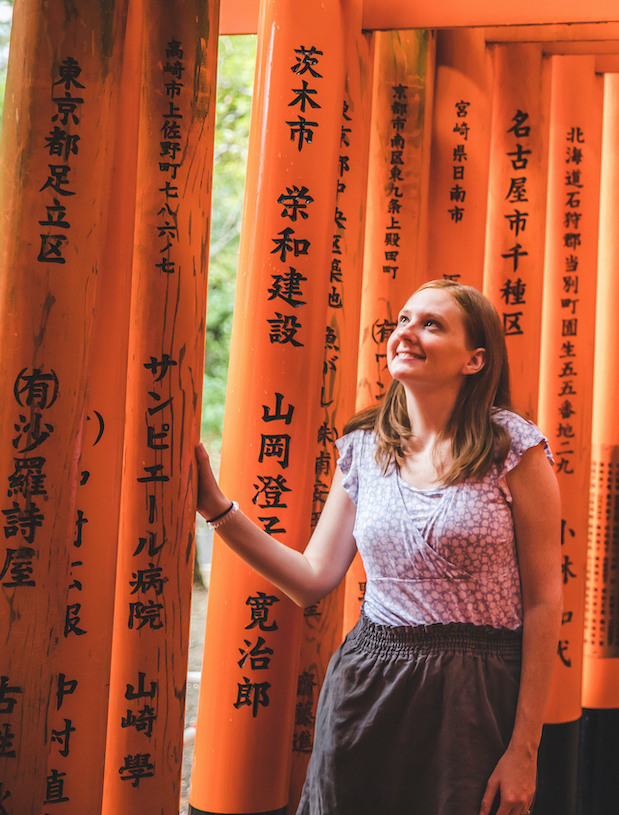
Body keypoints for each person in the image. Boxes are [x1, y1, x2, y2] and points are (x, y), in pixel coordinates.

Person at [196, 278, 562, 815]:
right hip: (369, 684)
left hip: (477, 691)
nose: (407, 333)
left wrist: (524, 748)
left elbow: (544, 600)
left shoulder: (513, 448)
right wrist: (217, 510)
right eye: (404, 321)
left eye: (431, 324)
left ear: (475, 360)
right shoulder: (367, 448)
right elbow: (312, 578)